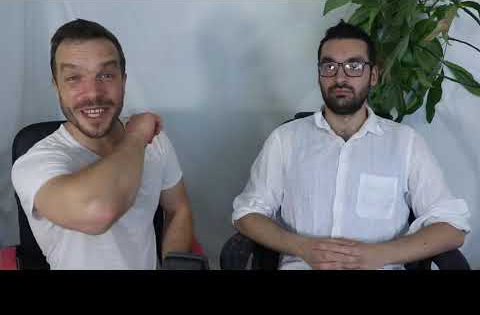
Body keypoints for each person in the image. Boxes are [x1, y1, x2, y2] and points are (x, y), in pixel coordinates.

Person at [232, 20, 470, 270]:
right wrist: (302, 247)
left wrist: (379, 254)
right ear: (319, 74)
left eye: (354, 66)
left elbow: (452, 227)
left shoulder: (405, 142)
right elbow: (247, 214)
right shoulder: (285, 139)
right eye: (330, 66)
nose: (340, 77)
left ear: (374, 75)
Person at [12, 19, 194, 269]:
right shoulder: (34, 164)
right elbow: (99, 212)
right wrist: (137, 137)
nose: (93, 93)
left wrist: (175, 266)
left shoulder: (155, 141)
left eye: (106, 75)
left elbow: (179, 208)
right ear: (56, 87)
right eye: (74, 78)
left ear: (124, 80)